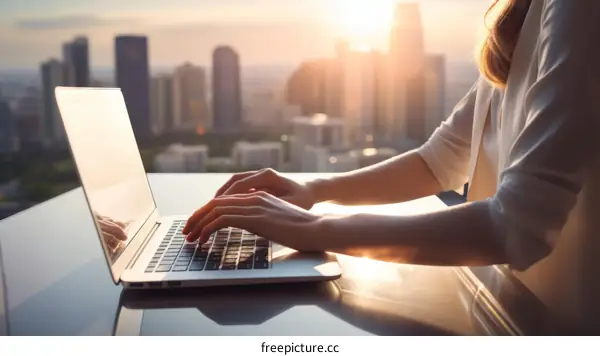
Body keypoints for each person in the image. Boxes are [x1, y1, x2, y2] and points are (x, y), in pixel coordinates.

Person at [183, 0, 600, 272]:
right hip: (495, 305)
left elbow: (516, 227)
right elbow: (439, 160)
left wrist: (315, 228)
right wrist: (313, 189)